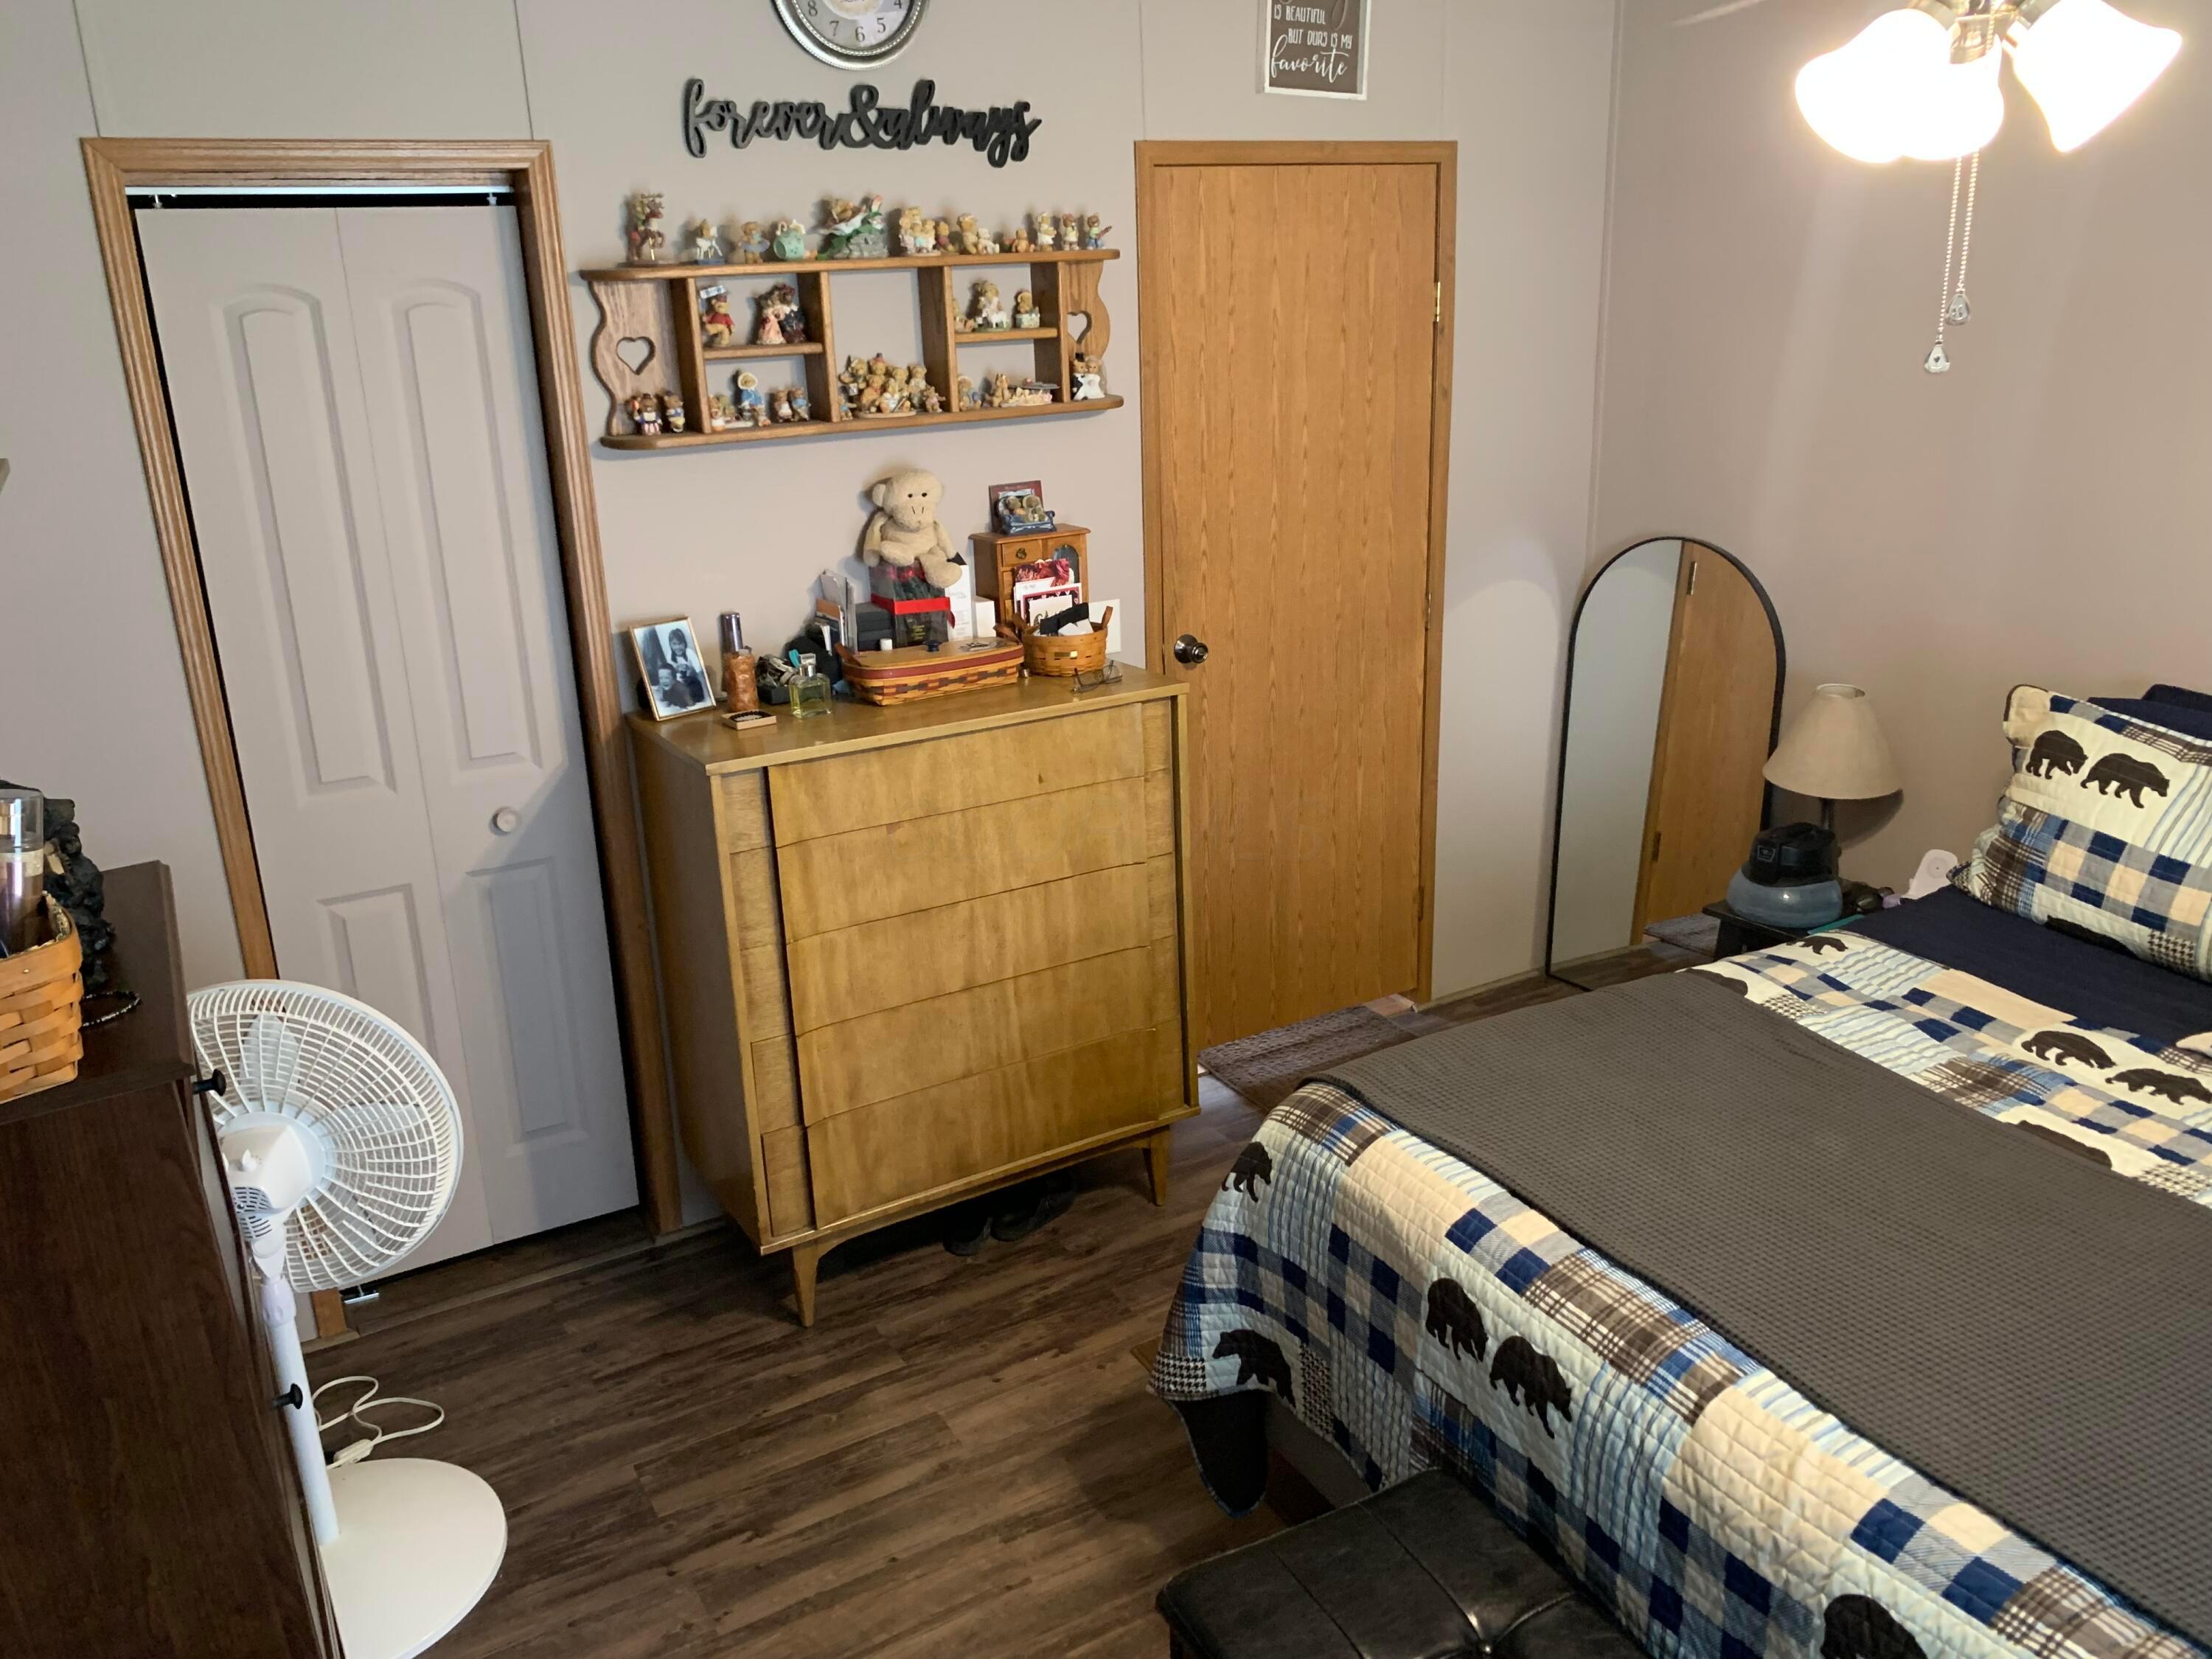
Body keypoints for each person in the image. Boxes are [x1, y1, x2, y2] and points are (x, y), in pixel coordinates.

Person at [660, 628, 709, 710]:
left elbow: (701, 674)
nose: (678, 647)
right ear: (670, 645)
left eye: (680, 644)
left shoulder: (689, 653)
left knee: (691, 692)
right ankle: (671, 699)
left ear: (685, 643)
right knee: (666, 689)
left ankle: (677, 700)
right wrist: (677, 668)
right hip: (677, 683)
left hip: (691, 682)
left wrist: (707, 697)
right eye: (674, 644)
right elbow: (670, 675)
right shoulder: (669, 655)